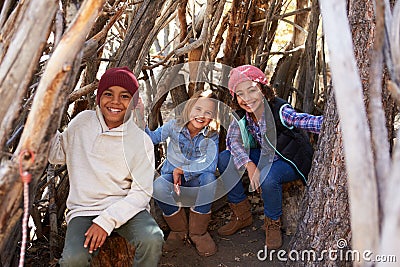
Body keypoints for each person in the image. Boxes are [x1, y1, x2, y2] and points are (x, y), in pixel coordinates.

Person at [48, 67, 164, 266]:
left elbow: (141, 194)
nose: (115, 102)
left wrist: (105, 222)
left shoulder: (140, 141)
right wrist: (45, 125)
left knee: (152, 239)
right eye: (108, 94)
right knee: (74, 259)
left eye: (125, 96)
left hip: (126, 208)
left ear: (134, 102)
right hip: (84, 209)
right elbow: (57, 155)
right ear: (99, 97)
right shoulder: (82, 123)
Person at [217, 65, 323, 249]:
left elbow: (303, 120)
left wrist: (333, 121)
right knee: (225, 159)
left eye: (252, 90)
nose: (247, 98)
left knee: (269, 177)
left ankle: (272, 222)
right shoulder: (242, 115)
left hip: (288, 158)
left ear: (263, 90)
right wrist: (250, 166)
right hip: (266, 156)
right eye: (240, 94)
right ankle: (242, 215)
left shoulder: (279, 110)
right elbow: (233, 142)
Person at [144, 90, 219, 257]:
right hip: (172, 180)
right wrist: (139, 120)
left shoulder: (212, 135)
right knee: (159, 186)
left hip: (196, 182)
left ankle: (198, 232)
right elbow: (152, 138)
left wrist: (183, 170)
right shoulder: (174, 126)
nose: (201, 115)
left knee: (209, 178)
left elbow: (210, 165)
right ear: (189, 108)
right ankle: (178, 230)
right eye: (198, 109)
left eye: (208, 113)